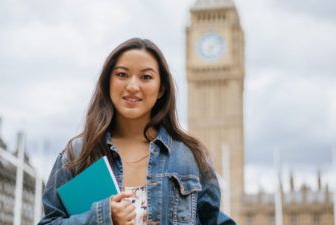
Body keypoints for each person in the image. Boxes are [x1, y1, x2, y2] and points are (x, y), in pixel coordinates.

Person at [38, 38, 236, 225]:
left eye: (146, 77)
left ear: (161, 89)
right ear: (108, 83)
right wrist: (102, 217)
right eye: (122, 74)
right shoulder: (78, 154)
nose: (133, 86)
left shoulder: (188, 157)